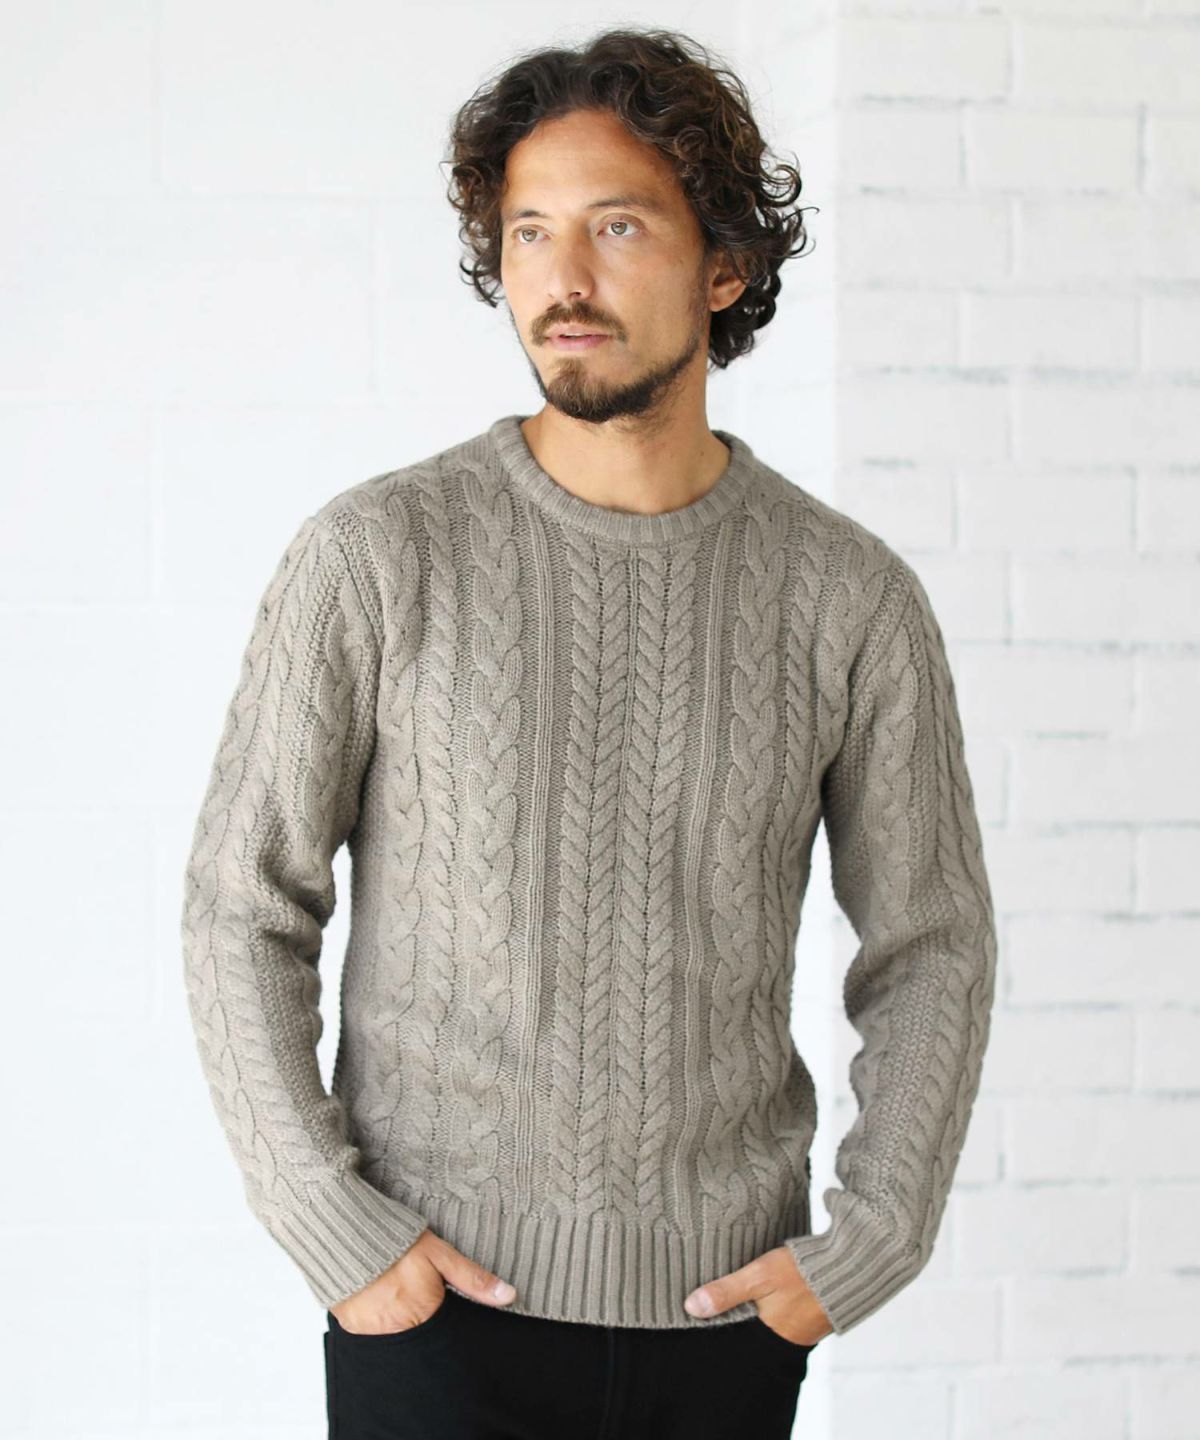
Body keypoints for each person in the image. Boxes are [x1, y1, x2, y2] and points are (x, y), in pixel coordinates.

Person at [180, 25, 997, 1440]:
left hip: (724, 1329)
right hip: (432, 1316)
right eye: (530, 233)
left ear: (724, 265)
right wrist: (332, 1224)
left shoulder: (847, 597)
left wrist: (869, 1242)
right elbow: (238, 907)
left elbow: (931, 942)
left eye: (617, 226)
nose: (562, 279)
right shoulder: (379, 556)